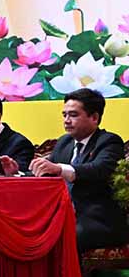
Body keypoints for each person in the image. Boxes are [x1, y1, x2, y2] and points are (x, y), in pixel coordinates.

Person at [31, 88, 129, 252]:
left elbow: (98, 170)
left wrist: (60, 168)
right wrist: (16, 171)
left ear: (94, 117)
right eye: (64, 115)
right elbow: (46, 175)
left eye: (73, 115)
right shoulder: (64, 143)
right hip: (62, 215)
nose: (67, 120)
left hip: (97, 220)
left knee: (66, 235)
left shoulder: (109, 142)